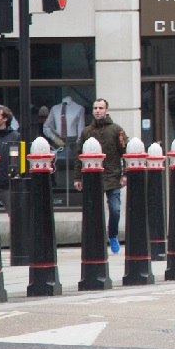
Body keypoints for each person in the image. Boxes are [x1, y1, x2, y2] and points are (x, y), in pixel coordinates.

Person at [75, 98, 127, 253]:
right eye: (95, 108)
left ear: (107, 110)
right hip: (92, 178)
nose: (98, 110)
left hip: (113, 176)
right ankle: (96, 239)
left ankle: (113, 235)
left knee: (115, 209)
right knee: (94, 211)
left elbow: (125, 152)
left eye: (101, 108)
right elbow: (79, 155)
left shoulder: (116, 130)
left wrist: (125, 174)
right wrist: (78, 178)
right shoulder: (87, 132)